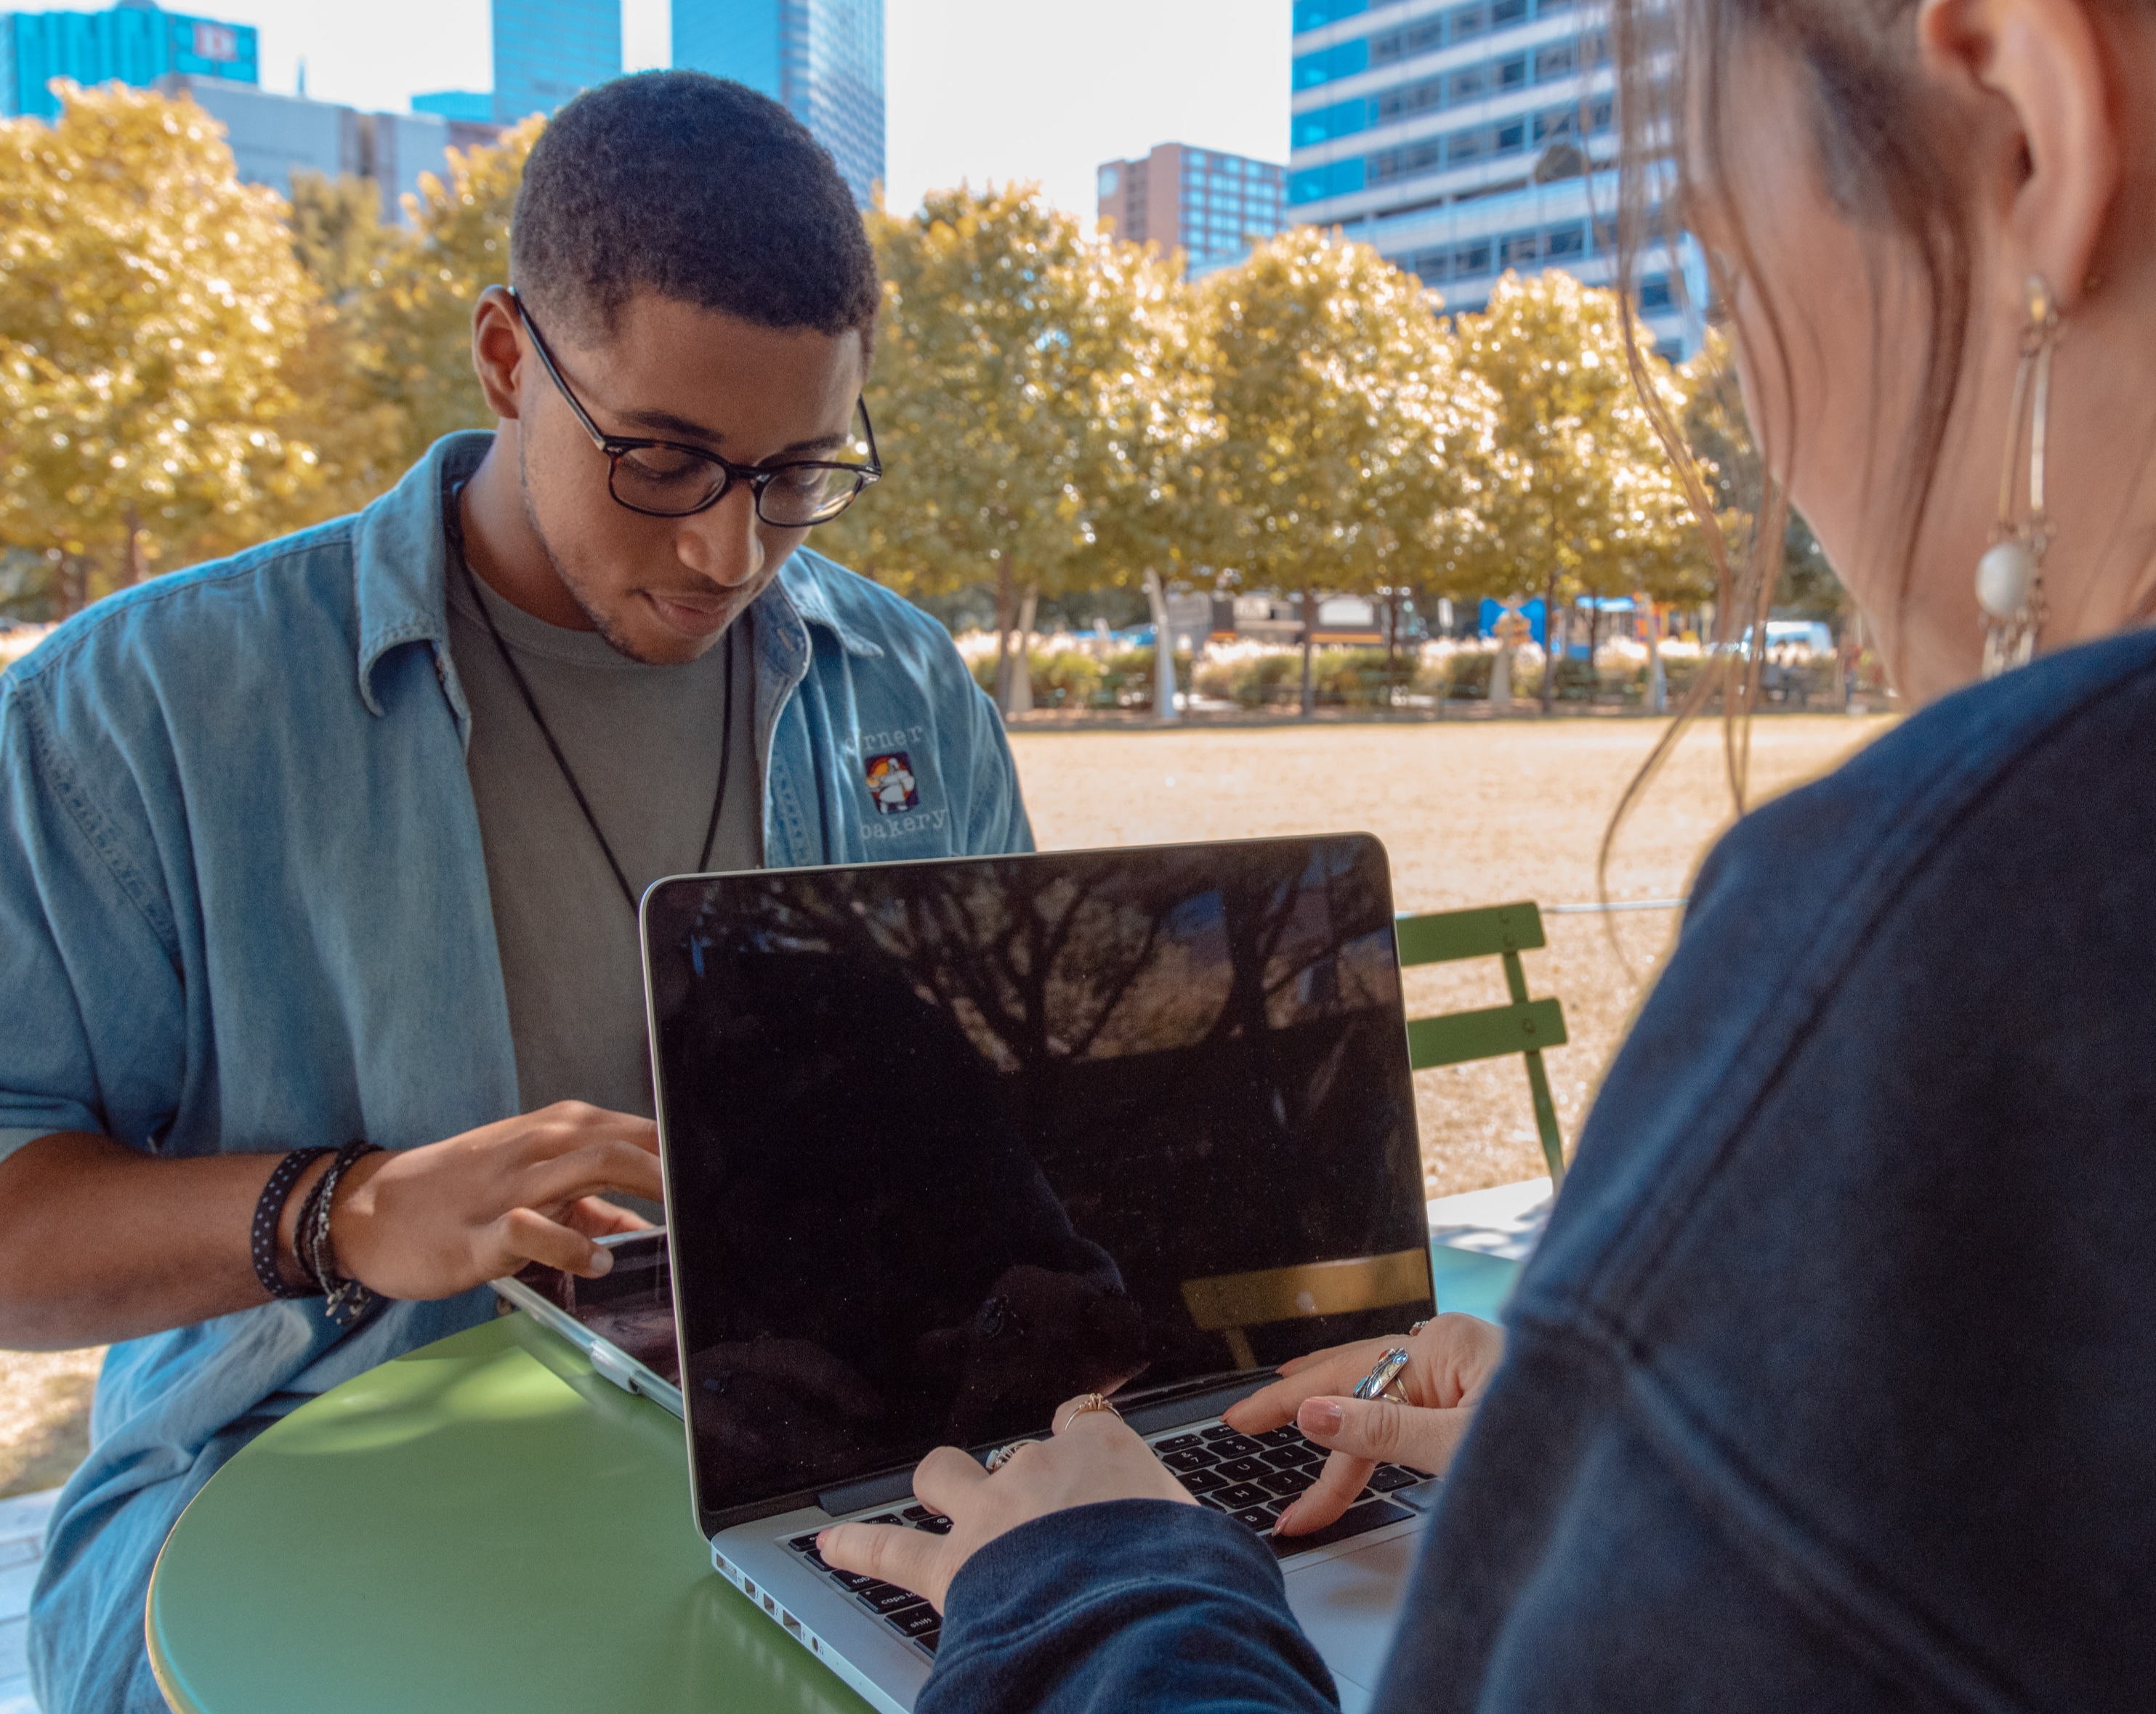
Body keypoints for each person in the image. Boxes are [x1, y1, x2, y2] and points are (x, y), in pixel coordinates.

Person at [819, 0, 2156, 1707]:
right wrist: (1657, 1445)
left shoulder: (1952, 928)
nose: (1749, 422)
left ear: (2022, 118)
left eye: (1723, 273)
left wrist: (1095, 1585)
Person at [0, 73, 1032, 1714]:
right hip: (282, 1501)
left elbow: (1005, 1120)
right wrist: (343, 1211)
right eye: (664, 460)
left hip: (838, 1467)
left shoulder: (904, 687)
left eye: (795, 475)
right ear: (504, 359)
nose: (728, 554)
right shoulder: (141, 710)